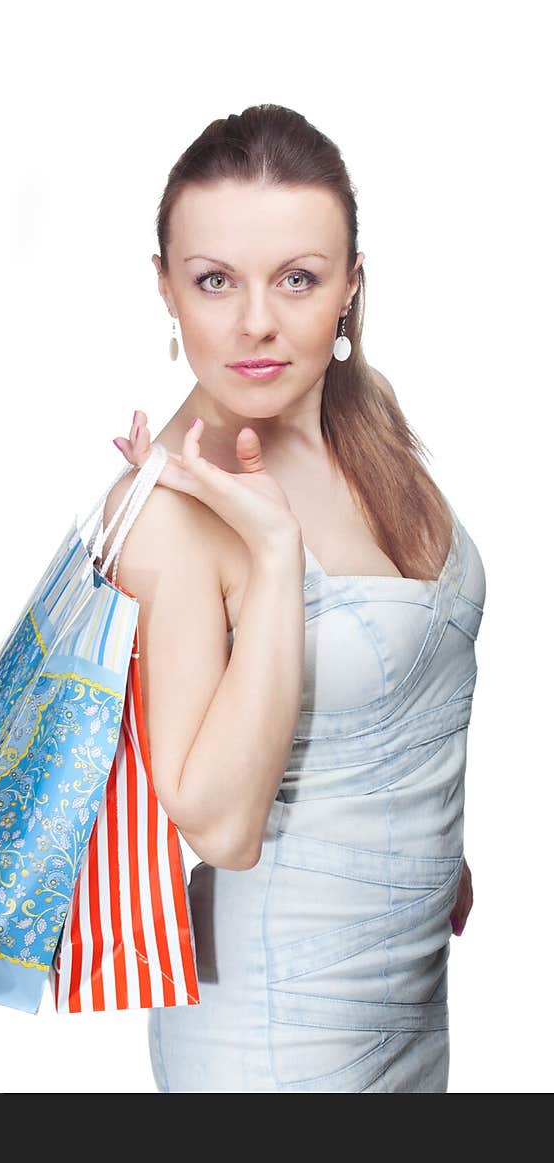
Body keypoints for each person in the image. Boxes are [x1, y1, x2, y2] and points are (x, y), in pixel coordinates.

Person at [101, 103, 485, 1093]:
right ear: (165, 286)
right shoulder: (174, 510)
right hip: (273, 1042)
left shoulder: (361, 419)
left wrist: (433, 840)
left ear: (351, 283)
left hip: (406, 1001)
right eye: (215, 280)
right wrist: (274, 552)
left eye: (298, 279)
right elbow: (217, 826)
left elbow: (410, 669)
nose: (256, 323)